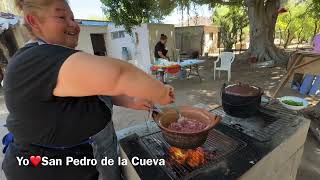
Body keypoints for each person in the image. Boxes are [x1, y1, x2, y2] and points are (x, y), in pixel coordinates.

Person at [2, 1, 175, 180]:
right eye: (61, 17)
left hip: (94, 157)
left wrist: (130, 101)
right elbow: (119, 75)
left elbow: (93, 92)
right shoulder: (34, 60)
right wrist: (161, 92)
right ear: (34, 21)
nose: (74, 25)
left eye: (73, 18)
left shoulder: (59, 56)